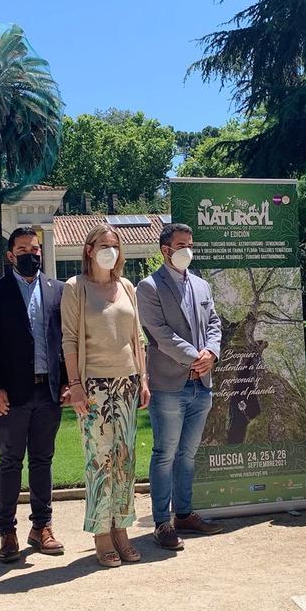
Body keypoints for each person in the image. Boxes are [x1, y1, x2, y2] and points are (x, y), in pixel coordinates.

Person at [61, 224, 151, 567]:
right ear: (89, 249)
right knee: (99, 459)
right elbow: (69, 339)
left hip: (128, 382)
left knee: (125, 461)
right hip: (94, 385)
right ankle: (101, 532)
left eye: (114, 245)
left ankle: (122, 528)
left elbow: (136, 338)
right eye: (103, 245)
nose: (109, 250)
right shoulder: (76, 288)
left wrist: (143, 379)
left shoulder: (127, 286)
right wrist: (76, 384)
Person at [0, 227, 67, 562]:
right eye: (24, 248)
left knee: (43, 461)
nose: (32, 253)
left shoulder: (58, 290)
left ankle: (41, 527)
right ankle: (7, 531)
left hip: (49, 390)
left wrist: (68, 382)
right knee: (10, 462)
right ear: (10, 255)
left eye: (36, 248)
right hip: (11, 394)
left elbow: (64, 341)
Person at [137, 223, 225, 550]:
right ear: (165, 250)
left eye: (190, 244)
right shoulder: (148, 287)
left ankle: (184, 513)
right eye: (180, 245)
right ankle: (162, 522)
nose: (187, 249)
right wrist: (195, 357)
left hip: (201, 385)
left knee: (188, 454)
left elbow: (214, 323)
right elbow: (159, 333)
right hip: (169, 385)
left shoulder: (202, 286)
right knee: (165, 454)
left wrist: (211, 353)